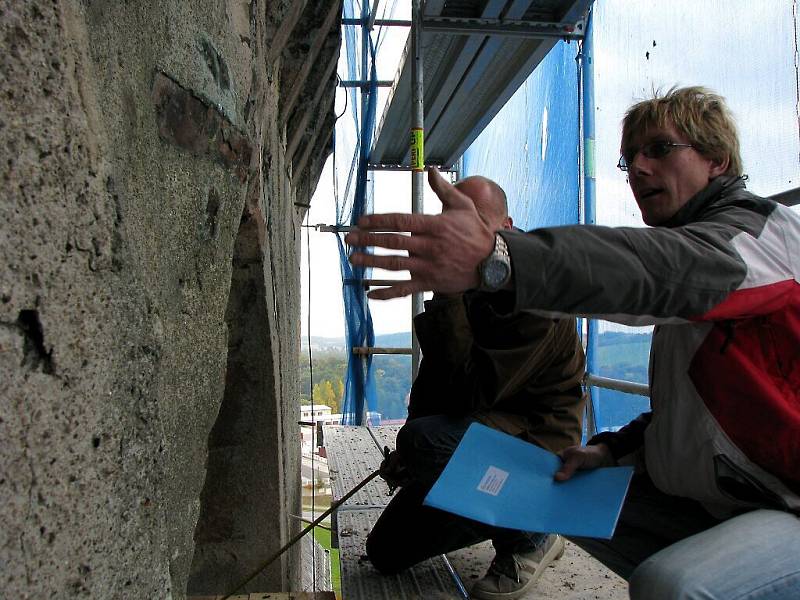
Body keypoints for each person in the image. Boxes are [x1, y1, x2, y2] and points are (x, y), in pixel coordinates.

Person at [346, 87, 800, 600]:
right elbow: (700, 416)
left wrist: (501, 260)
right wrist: (612, 449)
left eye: (659, 149)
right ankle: (524, 515)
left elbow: (651, 270)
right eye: (630, 160)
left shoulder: (763, 243)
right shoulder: (700, 280)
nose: (640, 169)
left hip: (784, 506)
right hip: (724, 497)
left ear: (716, 159)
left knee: (673, 586)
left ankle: (526, 533)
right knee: (393, 544)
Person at [366, 176, 586, 600]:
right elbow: (436, 385)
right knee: (386, 551)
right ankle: (500, 510)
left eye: (477, 223)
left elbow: (473, 392)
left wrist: (446, 297)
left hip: (536, 444)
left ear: (507, 226)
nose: (461, 235)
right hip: (482, 434)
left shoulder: (534, 292)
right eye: (453, 223)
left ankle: (531, 533)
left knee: (426, 442)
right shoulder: (474, 281)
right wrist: (407, 459)